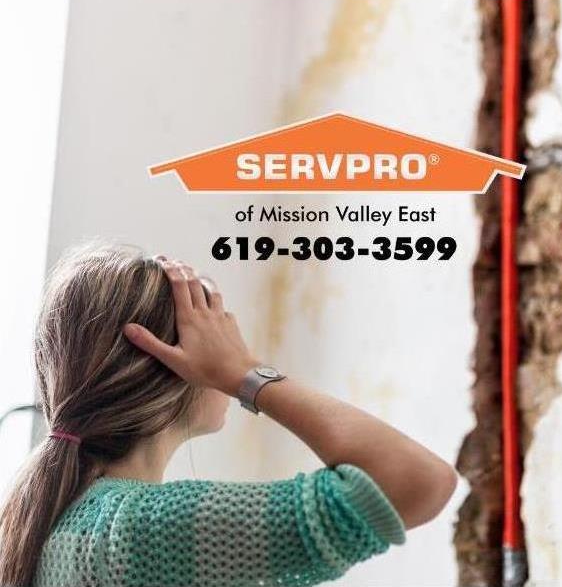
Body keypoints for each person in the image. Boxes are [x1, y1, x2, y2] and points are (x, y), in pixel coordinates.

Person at [0, 241, 458, 587]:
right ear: (177, 363)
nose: (236, 343)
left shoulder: (45, 522)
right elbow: (416, 481)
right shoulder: (141, 533)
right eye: (218, 332)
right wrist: (245, 374)